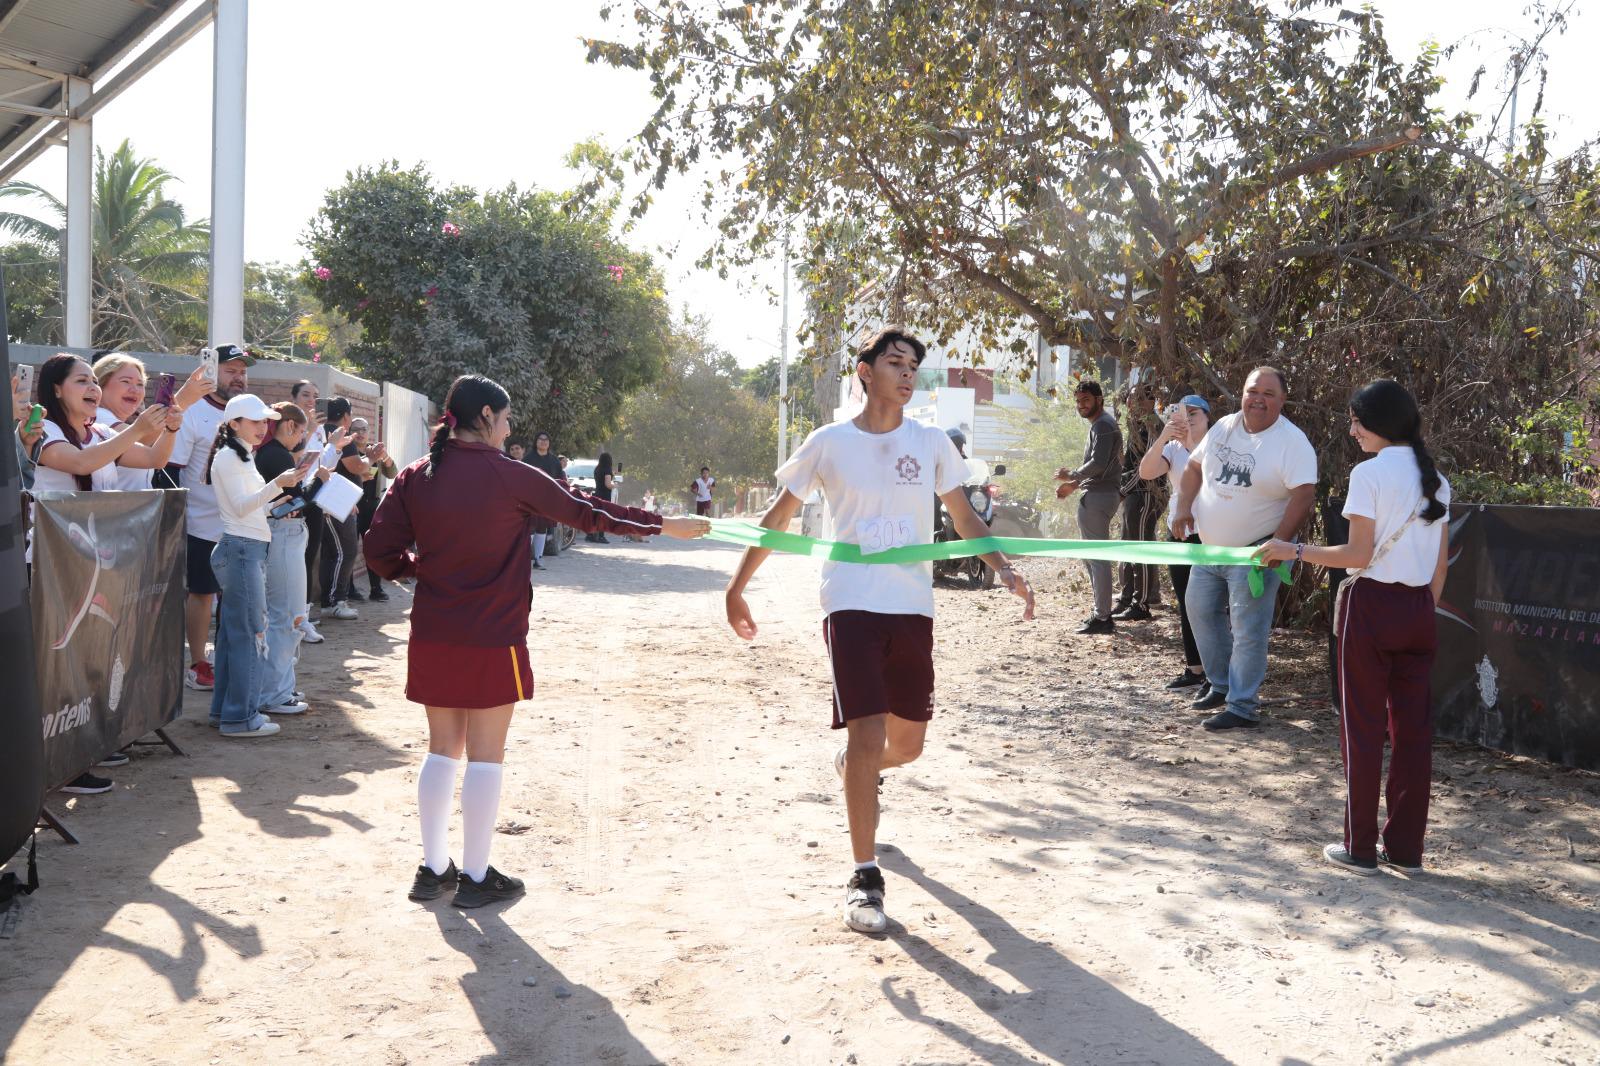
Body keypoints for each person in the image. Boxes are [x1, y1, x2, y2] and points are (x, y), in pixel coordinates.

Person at [723, 329, 1035, 936]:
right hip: (849, 601)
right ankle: (864, 877)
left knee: (906, 746)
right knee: (867, 731)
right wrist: (737, 587)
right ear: (865, 372)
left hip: (911, 606)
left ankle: (857, 767)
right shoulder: (828, 442)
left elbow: (963, 516)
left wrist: (1004, 568)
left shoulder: (931, 442)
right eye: (895, 362)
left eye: (913, 365)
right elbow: (779, 516)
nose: (907, 372)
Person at [363, 374, 711, 907]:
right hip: (492, 634)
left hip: (433, 630)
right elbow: (588, 511)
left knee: (441, 750)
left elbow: (378, 550)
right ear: (486, 416)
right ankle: (475, 876)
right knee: (485, 755)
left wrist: (421, 570)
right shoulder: (509, 475)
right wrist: (662, 524)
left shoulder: (416, 474)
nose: (509, 430)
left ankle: (433, 870)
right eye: (505, 420)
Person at [1255, 380, 1449, 874]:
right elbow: (1440, 564)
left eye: (1357, 421)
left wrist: (1294, 550)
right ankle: (1405, 850)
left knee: (1361, 730)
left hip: (1373, 607)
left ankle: (1360, 847)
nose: (1352, 431)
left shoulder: (1369, 473)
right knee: (1412, 736)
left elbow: (1358, 555)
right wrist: (1419, 607)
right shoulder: (1436, 479)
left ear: (1378, 423)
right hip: (1419, 610)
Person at [23, 354, 176, 793]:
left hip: (93, 567)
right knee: (58, 667)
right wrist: (136, 429)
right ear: (56, 389)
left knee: (91, 661)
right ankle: (59, 766)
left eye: (94, 380)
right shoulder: (44, 431)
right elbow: (81, 464)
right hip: (52, 565)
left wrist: (169, 428)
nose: (92, 388)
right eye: (82, 381)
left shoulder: (104, 433)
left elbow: (154, 459)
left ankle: (86, 746)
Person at [1173, 367, 1317, 731]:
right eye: (1253, 391)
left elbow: (1304, 496)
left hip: (1256, 553)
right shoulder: (1224, 426)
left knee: (1248, 628)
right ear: (1242, 393)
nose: (1258, 399)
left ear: (1282, 400)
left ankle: (1242, 706)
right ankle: (1221, 685)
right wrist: (1183, 507)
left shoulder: (1292, 441)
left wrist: (1278, 544)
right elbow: (1193, 467)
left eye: (1269, 393)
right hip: (1210, 550)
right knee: (1200, 610)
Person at [207, 395, 313, 737]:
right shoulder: (230, 456)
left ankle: (227, 712)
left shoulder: (239, 454)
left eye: (264, 421)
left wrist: (276, 500)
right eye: (255, 421)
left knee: (234, 637)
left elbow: (248, 507)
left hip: (244, 547)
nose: (262, 427)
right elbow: (241, 507)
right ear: (234, 423)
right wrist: (277, 486)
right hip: (241, 549)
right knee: (248, 636)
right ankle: (240, 717)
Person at [169, 344, 254, 691]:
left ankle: (227, 657)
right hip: (201, 522)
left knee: (235, 596)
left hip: (239, 523)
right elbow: (171, 470)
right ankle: (197, 663)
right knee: (202, 593)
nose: (239, 377)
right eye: (230, 371)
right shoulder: (193, 411)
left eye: (242, 372)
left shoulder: (245, 412)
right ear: (209, 371)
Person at [254, 402, 332, 718]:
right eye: (301, 431)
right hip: (282, 534)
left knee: (287, 615)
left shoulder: (272, 453)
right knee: (287, 616)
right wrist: (320, 481)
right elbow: (293, 502)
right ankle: (275, 692)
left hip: (283, 534)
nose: (301, 438)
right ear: (288, 426)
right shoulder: (276, 455)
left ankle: (280, 686)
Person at [1137, 394, 1213, 692]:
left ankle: (1217, 672)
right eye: (1182, 412)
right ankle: (1195, 669)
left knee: (1212, 603)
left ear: (1207, 417)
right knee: (1186, 601)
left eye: (1194, 413)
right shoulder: (1172, 448)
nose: (1188, 418)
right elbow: (1146, 472)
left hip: (1213, 535)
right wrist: (1164, 437)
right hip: (1180, 533)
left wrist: (1191, 442)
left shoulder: (1217, 446)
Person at [1054, 380, 1122, 635]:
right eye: (1078, 401)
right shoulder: (1101, 424)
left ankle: (1102, 616)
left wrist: (1073, 477)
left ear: (1099, 399)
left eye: (1086, 400)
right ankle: (1101, 612)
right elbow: (1102, 465)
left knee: (1097, 557)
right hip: (1101, 494)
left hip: (1098, 496)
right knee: (1093, 556)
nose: (1081, 405)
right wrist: (1074, 483)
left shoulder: (1103, 424)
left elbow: (1099, 463)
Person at [92, 355, 213, 490]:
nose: (135, 390)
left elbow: (157, 459)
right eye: (126, 381)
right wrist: (184, 398)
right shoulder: (96, 416)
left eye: (140, 384)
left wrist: (171, 428)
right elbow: (137, 440)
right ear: (100, 385)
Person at [1112, 378, 1166, 621]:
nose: (1134, 402)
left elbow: (1146, 468)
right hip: (1133, 494)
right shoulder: (1135, 425)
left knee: (1141, 548)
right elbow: (1130, 463)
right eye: (1131, 398)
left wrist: (1123, 491)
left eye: (1141, 398)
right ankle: (1126, 599)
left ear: (1152, 402)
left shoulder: (1154, 426)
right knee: (1128, 548)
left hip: (1147, 494)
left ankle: (1141, 604)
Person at [318, 398, 363, 620]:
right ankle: (336, 601)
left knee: (332, 553)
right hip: (336, 503)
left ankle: (329, 601)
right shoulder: (340, 434)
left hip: (333, 501)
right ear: (346, 415)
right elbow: (355, 467)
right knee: (347, 551)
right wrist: (370, 459)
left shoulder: (321, 431)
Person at [290, 380, 326, 644]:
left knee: (310, 555)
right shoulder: (287, 424)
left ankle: (304, 614)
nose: (311, 400)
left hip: (314, 495)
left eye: (315, 395)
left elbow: (321, 462)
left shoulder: (320, 428)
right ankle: (294, 618)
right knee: (294, 559)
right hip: (293, 497)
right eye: (305, 395)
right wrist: (309, 429)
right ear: (293, 397)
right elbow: (293, 460)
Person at [348, 418, 398, 601]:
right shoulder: (348, 451)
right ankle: (349, 589)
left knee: (373, 547)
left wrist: (384, 456)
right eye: (356, 429)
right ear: (350, 432)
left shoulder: (374, 451)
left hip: (371, 506)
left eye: (364, 429)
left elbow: (392, 473)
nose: (360, 433)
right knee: (350, 548)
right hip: (352, 505)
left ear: (369, 432)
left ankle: (376, 589)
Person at [526, 431, 565, 566]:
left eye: (546, 439)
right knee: (529, 529)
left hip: (547, 500)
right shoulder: (528, 459)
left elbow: (560, 480)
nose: (543, 441)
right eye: (540, 439)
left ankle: (538, 559)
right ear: (536, 442)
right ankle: (523, 559)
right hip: (530, 500)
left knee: (542, 528)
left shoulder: (554, 461)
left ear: (549, 443)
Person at [585, 453, 616, 543]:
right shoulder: (607, 470)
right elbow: (608, 484)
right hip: (605, 495)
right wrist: (615, 485)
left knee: (595, 515)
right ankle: (601, 536)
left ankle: (590, 535)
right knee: (603, 516)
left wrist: (612, 474)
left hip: (597, 494)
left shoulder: (597, 469)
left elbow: (602, 479)